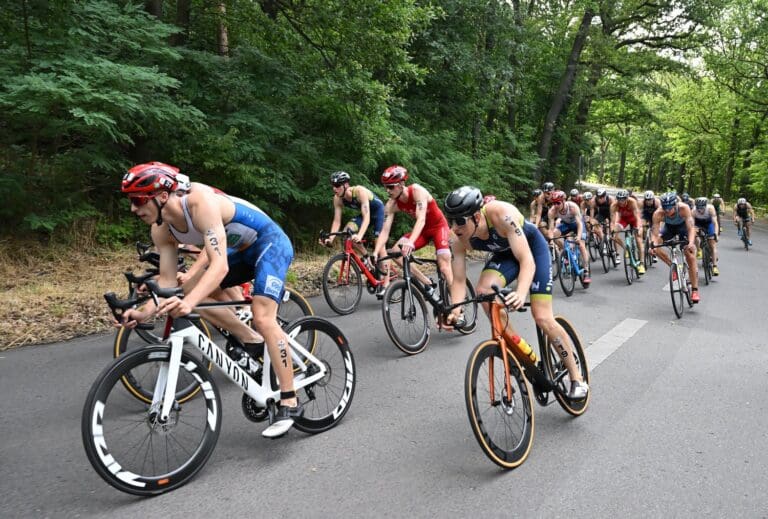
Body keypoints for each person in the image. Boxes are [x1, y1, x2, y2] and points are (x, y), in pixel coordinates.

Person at [119, 162, 302, 438]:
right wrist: (143, 313)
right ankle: (251, 341)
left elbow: (219, 266)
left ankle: (289, 400)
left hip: (270, 243)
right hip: (241, 251)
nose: (133, 208)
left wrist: (189, 301)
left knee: (263, 316)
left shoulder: (199, 201)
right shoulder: (161, 230)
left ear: (161, 196)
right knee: (190, 290)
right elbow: (169, 284)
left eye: (137, 200)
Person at [443, 186, 588, 399]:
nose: (454, 227)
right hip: (505, 256)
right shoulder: (457, 238)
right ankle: (522, 350)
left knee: (542, 316)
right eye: (450, 220)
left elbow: (526, 261)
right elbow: (458, 279)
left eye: (460, 221)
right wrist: (456, 310)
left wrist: (520, 293)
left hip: (532, 251)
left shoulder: (501, 214)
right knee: (484, 292)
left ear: (476, 216)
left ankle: (577, 378)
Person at [372, 165, 453, 298]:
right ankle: (427, 283)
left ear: (402, 184)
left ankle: (458, 307)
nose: (387, 190)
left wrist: (410, 242)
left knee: (444, 266)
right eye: (385, 186)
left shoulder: (417, 191)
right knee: (395, 253)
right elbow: (384, 232)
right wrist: (375, 252)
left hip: (439, 227)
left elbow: (421, 219)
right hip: (423, 232)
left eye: (391, 186)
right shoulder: (391, 205)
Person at [319, 171, 385, 262]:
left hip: (378, 212)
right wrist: (330, 239)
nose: (334, 189)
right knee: (347, 233)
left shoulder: (359, 191)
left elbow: (366, 217)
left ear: (346, 185)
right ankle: (367, 257)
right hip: (366, 214)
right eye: (333, 185)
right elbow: (337, 221)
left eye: (337, 186)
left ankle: (385, 274)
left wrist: (360, 235)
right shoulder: (337, 198)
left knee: (379, 247)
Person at [651, 192, 700, 303]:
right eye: (665, 208)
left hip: (683, 228)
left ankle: (695, 290)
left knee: (690, 255)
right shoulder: (658, 213)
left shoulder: (684, 208)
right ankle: (673, 267)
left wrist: (691, 243)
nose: (667, 211)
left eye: (670, 208)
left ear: (675, 205)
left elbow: (691, 228)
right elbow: (655, 233)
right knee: (655, 247)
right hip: (669, 228)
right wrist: (652, 245)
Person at [546, 190, 592, 283]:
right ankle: (567, 253)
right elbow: (551, 229)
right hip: (566, 224)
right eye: (554, 203)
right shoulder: (552, 211)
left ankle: (586, 270)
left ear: (563, 201)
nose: (556, 205)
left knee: (581, 245)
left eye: (558, 203)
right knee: (554, 235)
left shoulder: (572, 207)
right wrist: (551, 241)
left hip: (577, 224)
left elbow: (579, 224)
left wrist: (578, 237)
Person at [610, 189, 646, 274]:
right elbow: (613, 220)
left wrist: (639, 227)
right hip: (624, 220)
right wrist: (612, 229)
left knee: (638, 239)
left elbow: (637, 216)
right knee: (613, 236)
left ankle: (641, 264)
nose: (621, 202)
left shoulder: (632, 202)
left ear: (627, 198)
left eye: (623, 199)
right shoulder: (614, 205)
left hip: (634, 219)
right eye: (619, 199)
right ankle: (626, 248)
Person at [693, 197, 719, 276]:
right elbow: (691, 225)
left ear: (705, 206)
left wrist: (716, 234)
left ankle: (715, 266)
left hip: (708, 224)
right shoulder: (693, 211)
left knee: (712, 244)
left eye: (702, 208)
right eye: (698, 208)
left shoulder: (710, 209)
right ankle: (699, 250)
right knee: (694, 235)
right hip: (698, 223)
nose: (700, 210)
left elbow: (715, 223)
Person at [641, 190, 659, 263]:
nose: (648, 202)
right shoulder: (642, 203)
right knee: (643, 227)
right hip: (645, 215)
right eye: (647, 200)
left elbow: (660, 214)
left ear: (653, 199)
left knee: (654, 234)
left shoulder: (657, 203)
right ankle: (644, 240)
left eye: (650, 200)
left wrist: (657, 224)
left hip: (655, 216)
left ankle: (654, 254)